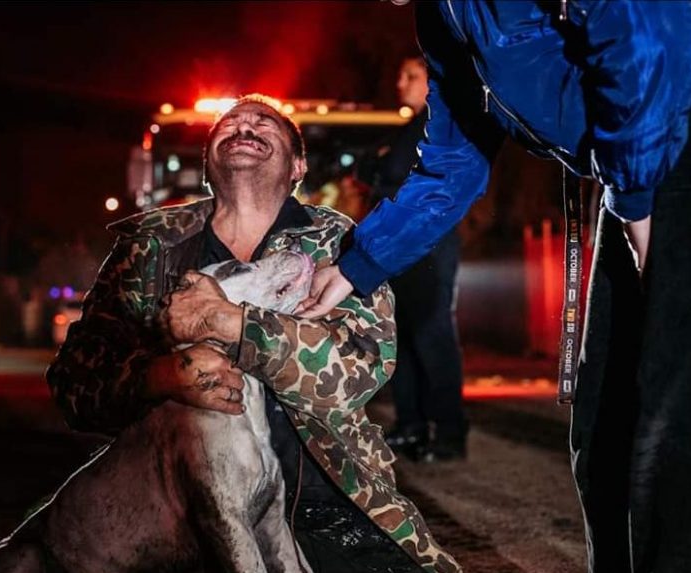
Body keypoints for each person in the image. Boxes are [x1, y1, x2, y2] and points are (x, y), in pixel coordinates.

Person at [298, 3, 691, 572]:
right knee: (602, 423)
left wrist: (634, 202)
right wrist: (358, 263)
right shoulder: (442, 21)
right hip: (628, 178)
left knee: (667, 420)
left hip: (668, 145)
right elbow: (454, 160)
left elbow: (645, 37)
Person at [46, 94, 460, 573]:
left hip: (327, 504)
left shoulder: (339, 242)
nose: (244, 128)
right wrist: (160, 376)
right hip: (175, 512)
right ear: (206, 164)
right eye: (230, 124)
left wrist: (235, 325)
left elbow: (361, 368)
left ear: (298, 165)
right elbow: (74, 384)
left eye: (264, 124)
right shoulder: (150, 248)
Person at [374, 55, 467, 462]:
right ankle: (410, 424)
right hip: (406, 245)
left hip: (429, 245)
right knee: (406, 333)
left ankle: (448, 431)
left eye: (410, 75)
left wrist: (376, 166)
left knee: (431, 333)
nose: (401, 82)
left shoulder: (436, 123)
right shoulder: (414, 125)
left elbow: (393, 169)